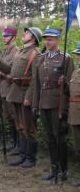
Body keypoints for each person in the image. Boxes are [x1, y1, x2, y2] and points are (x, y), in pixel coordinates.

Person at [0, 27, 41, 168]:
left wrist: (29, 96)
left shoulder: (35, 53)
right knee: (20, 126)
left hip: (25, 92)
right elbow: (9, 70)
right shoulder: (21, 51)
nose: (24, 34)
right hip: (15, 91)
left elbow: (34, 78)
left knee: (29, 127)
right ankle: (22, 155)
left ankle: (30, 158)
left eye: (27, 33)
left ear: (33, 38)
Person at [32, 27, 74, 182]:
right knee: (50, 138)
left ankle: (63, 171)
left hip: (58, 104)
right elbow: (36, 84)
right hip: (44, 102)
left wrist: (65, 84)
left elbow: (71, 86)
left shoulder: (66, 59)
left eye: (50, 39)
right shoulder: (41, 58)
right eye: (46, 39)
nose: (47, 42)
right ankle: (53, 168)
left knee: (59, 138)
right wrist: (35, 104)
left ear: (58, 40)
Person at [0, 27, 19, 154]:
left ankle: (18, 144)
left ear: (13, 37)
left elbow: (11, 70)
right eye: (4, 36)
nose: (4, 38)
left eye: (7, 36)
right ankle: (13, 142)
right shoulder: (5, 52)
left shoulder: (16, 52)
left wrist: (2, 72)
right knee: (9, 118)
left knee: (15, 117)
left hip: (11, 89)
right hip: (4, 89)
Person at [69, 44, 80, 188]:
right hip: (74, 113)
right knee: (78, 147)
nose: (78, 57)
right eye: (78, 54)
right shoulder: (75, 73)